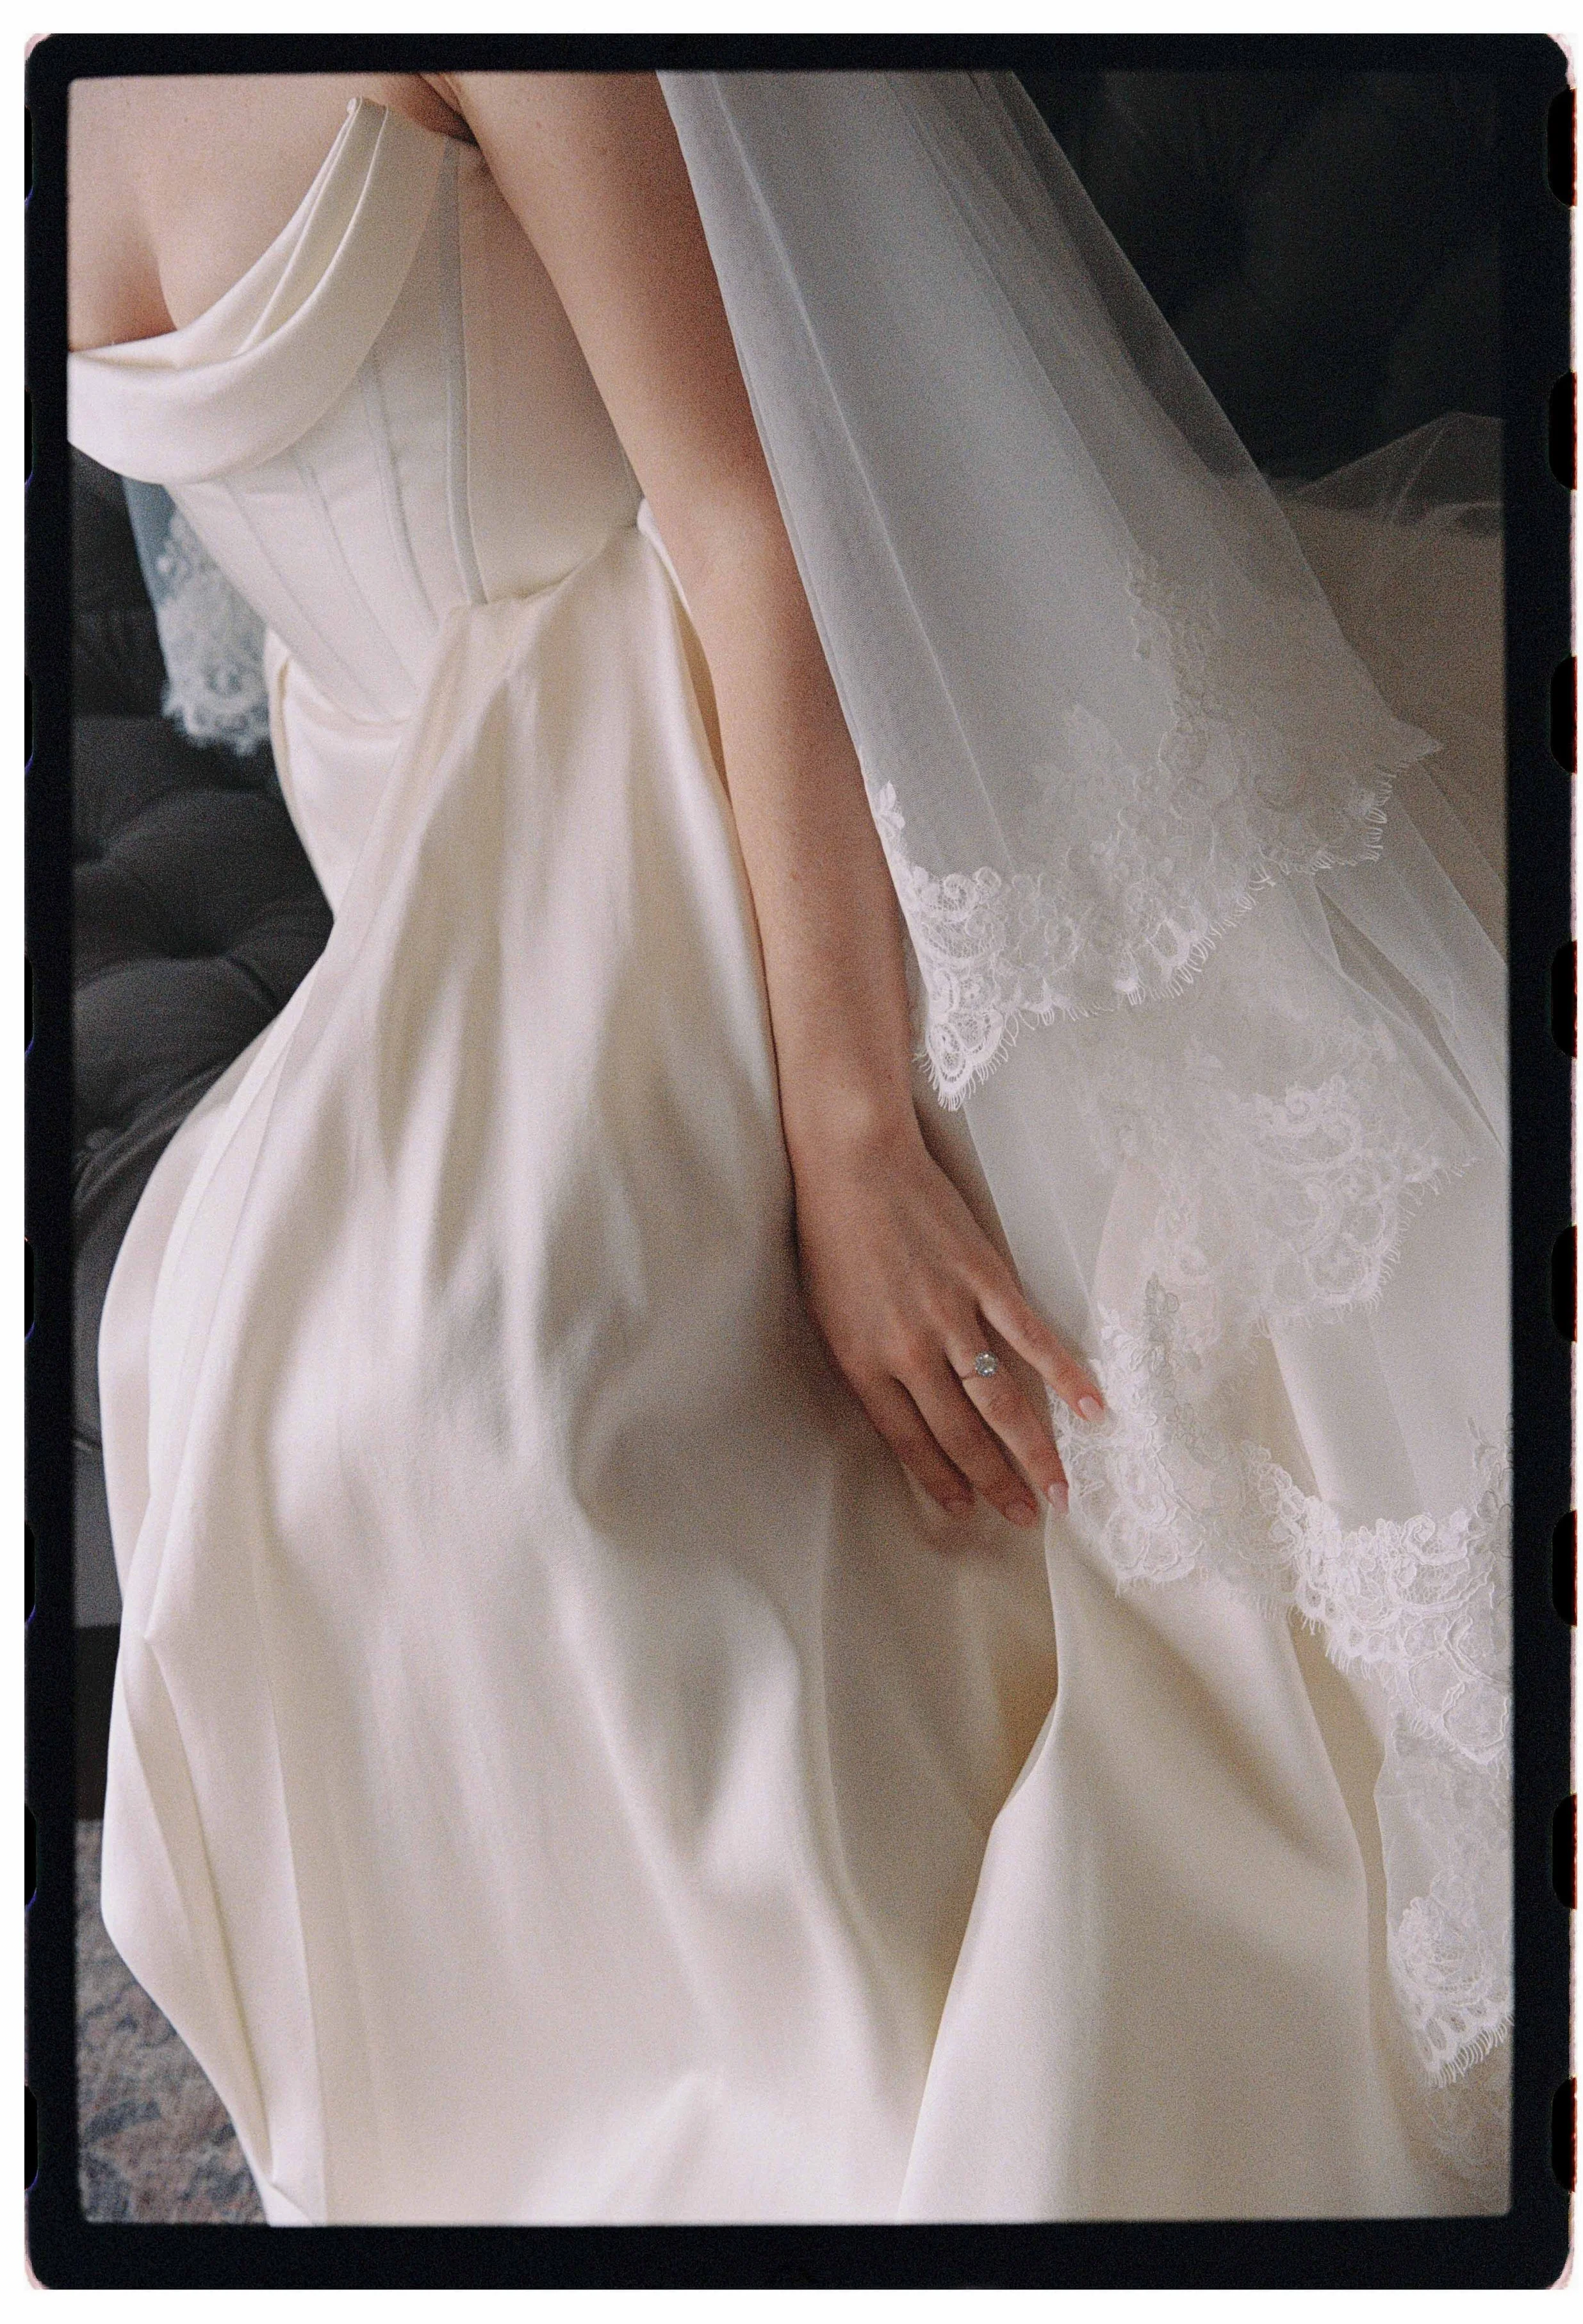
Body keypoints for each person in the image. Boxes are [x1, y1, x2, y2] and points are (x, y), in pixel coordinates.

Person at [67, 67, 1510, 2224]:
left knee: (433, 1376)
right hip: (438, 851)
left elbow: (755, 533)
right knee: (269, 1365)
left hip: (726, 759)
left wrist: (849, 1134)